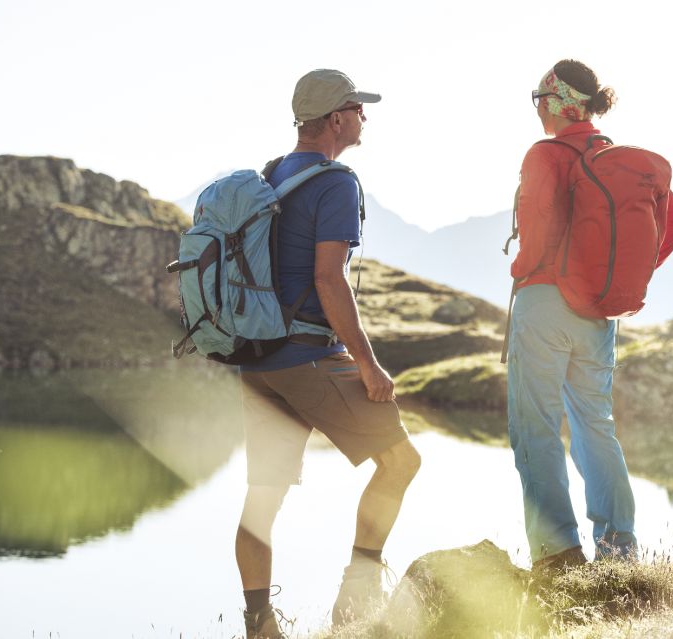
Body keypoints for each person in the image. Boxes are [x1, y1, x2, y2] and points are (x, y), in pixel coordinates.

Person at [236, 69, 421, 639]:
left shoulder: (271, 176)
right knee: (400, 462)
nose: (366, 117)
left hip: (257, 359)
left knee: (262, 497)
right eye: (358, 108)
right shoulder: (336, 181)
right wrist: (367, 364)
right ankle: (356, 593)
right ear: (337, 118)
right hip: (307, 355)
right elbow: (329, 278)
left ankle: (259, 623)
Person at [507, 59, 673, 572]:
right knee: (595, 425)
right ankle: (619, 549)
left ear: (561, 101)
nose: (538, 109)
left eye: (540, 98)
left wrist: (522, 268)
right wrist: (628, 269)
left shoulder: (546, 154)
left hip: (545, 302)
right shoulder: (616, 159)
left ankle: (557, 554)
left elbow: (538, 229)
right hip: (599, 312)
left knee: (535, 425)